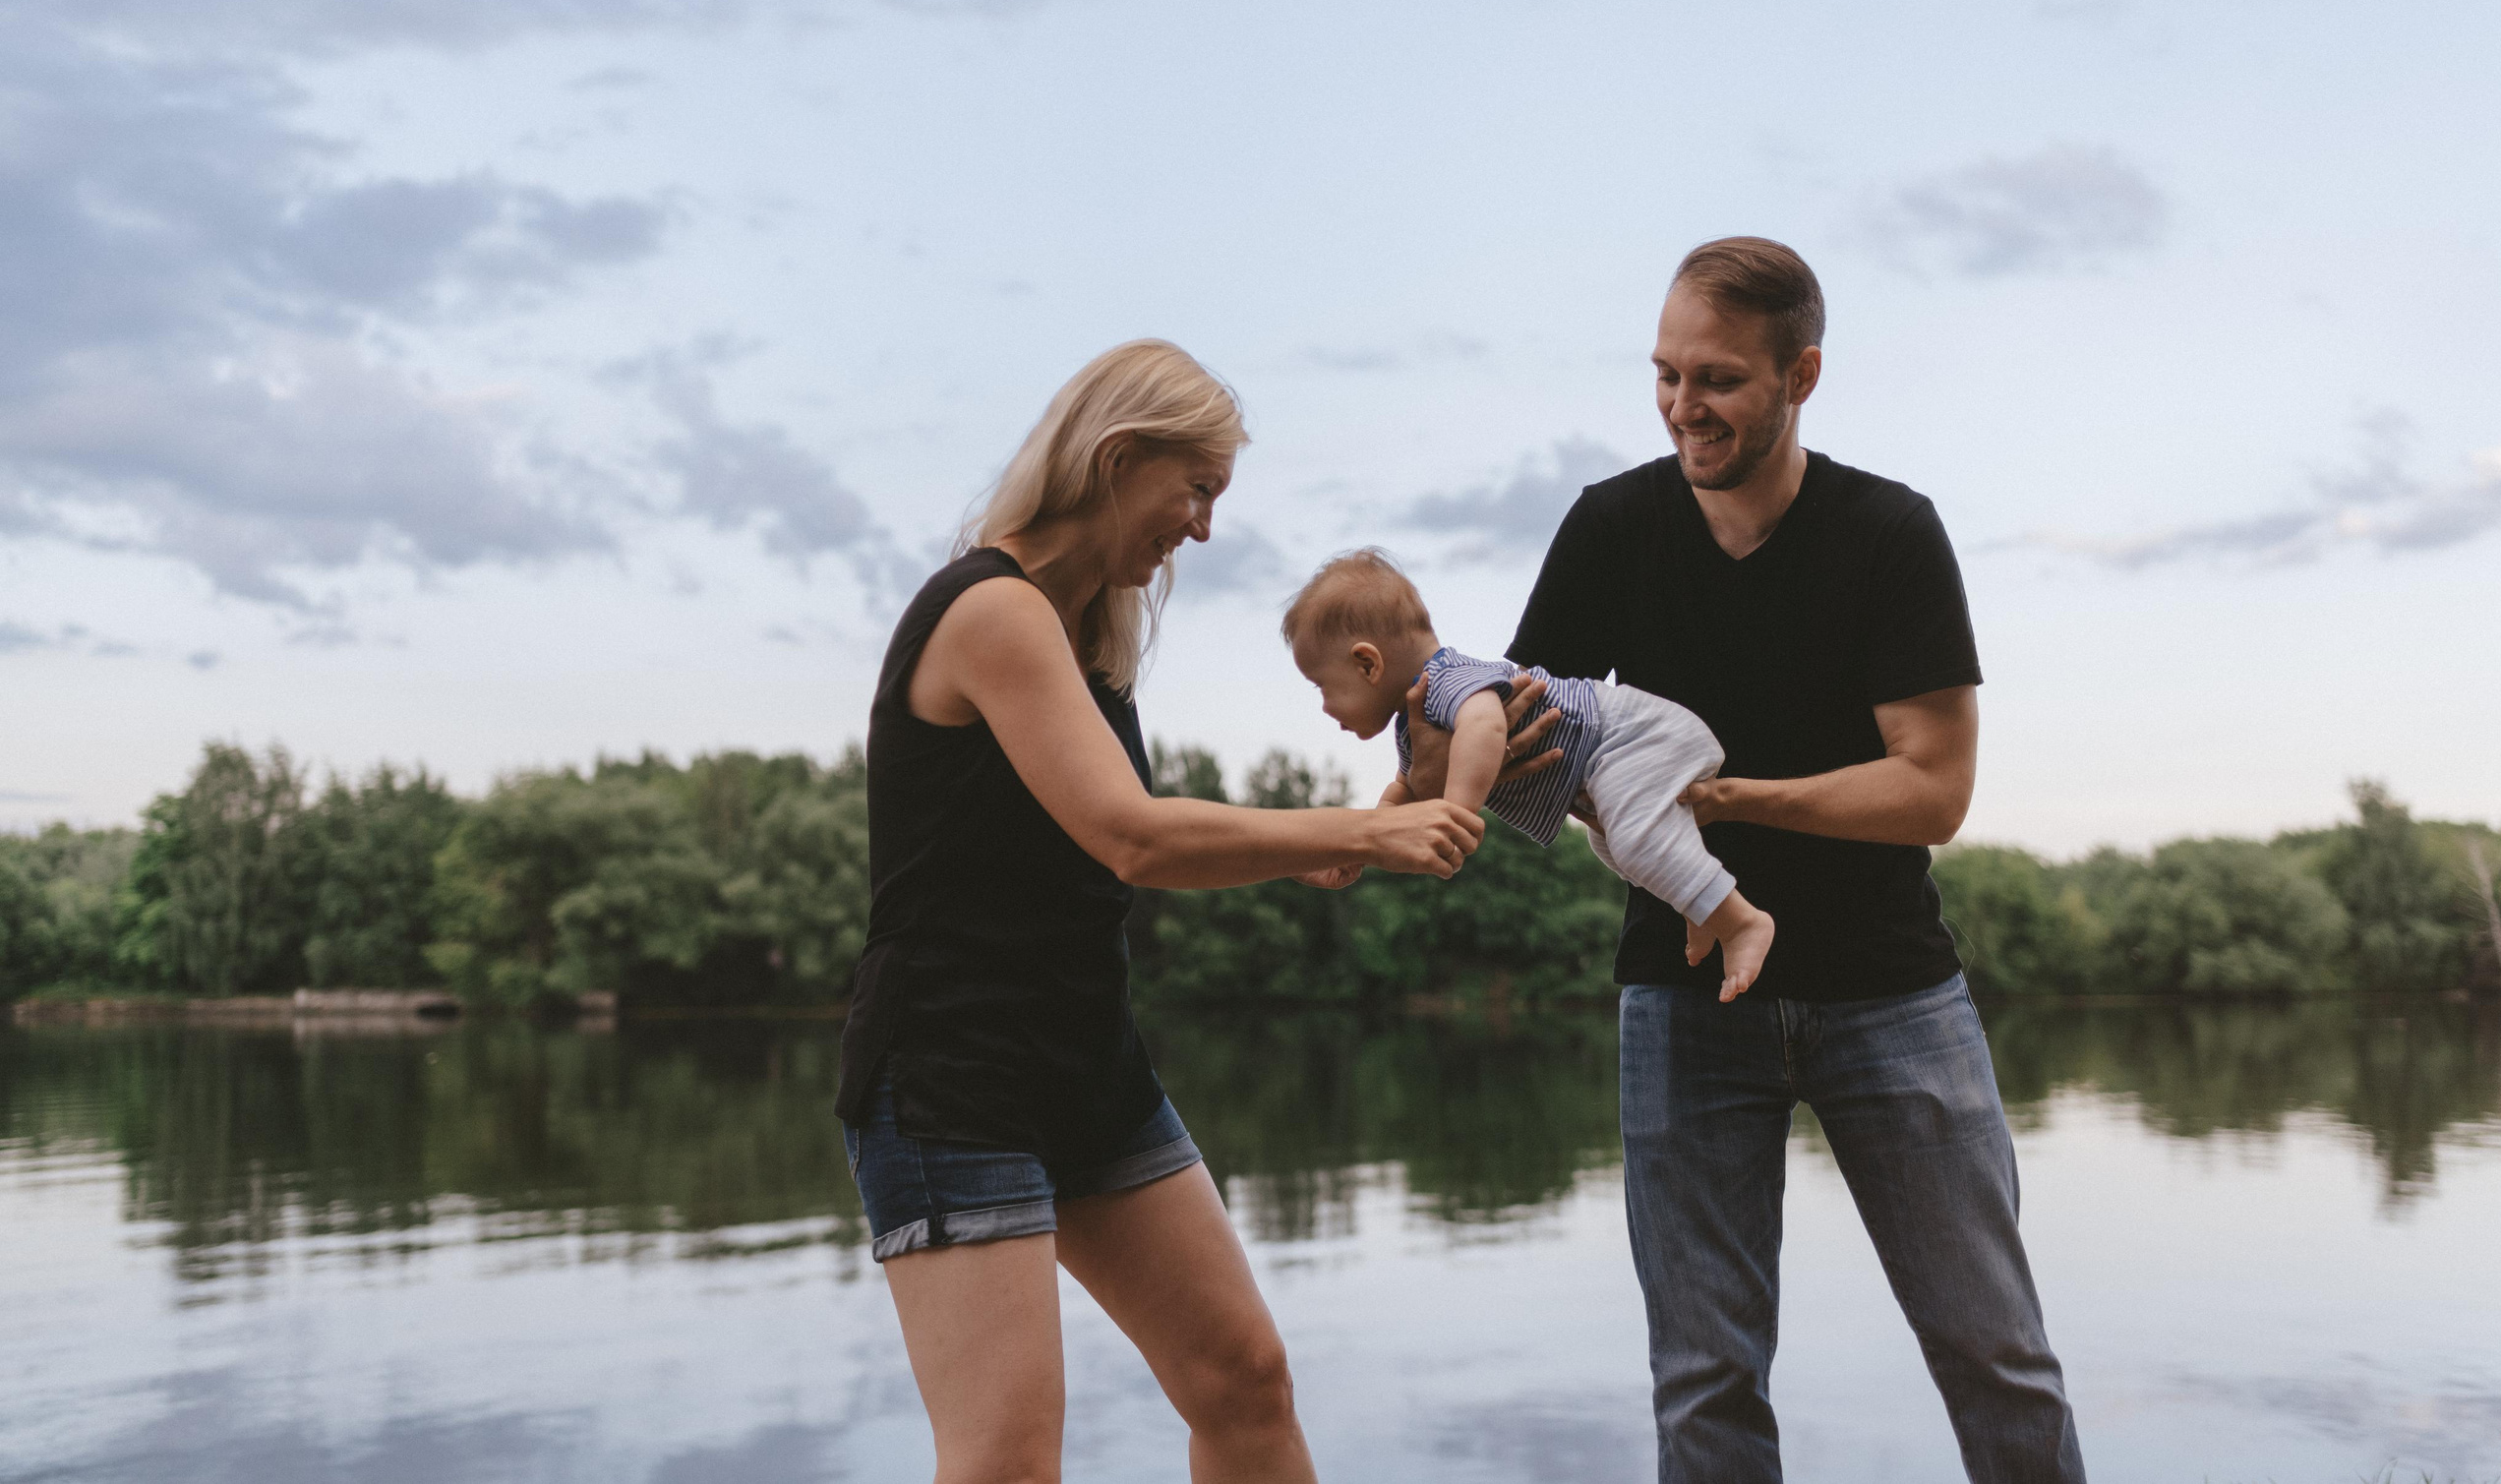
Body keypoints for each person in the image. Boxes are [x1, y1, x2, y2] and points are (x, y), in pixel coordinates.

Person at [833, 339, 1497, 1484]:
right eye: (1193, 489)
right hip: (952, 1076)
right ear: (1116, 457)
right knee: (1005, 1459)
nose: (1200, 526)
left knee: (1243, 1382)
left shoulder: (1093, 643)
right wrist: (1358, 832)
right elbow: (1133, 835)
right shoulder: (989, 611)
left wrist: (1355, 829)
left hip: (1086, 1063)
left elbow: (1106, 855)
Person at [1479, 239, 2085, 1479]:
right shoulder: (1609, 528)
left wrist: (1734, 802)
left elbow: (1934, 788)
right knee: (1704, 1383)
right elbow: (1530, 750)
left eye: (1716, 381)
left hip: (1892, 995)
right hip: (1681, 993)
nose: (1681, 407)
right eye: (1663, 375)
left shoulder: (1887, 532)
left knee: (1996, 1356)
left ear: (1801, 374)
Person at [1280, 546, 1776, 999]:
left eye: (1322, 686)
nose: (1324, 706)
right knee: (1610, 844)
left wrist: (1455, 812)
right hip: (1614, 755)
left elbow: (1484, 724)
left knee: (1633, 838)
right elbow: (1406, 790)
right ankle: (1698, 903)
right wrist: (1361, 846)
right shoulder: (1417, 722)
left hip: (1629, 737)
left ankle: (1741, 923)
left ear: (1368, 664)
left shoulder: (1447, 682)